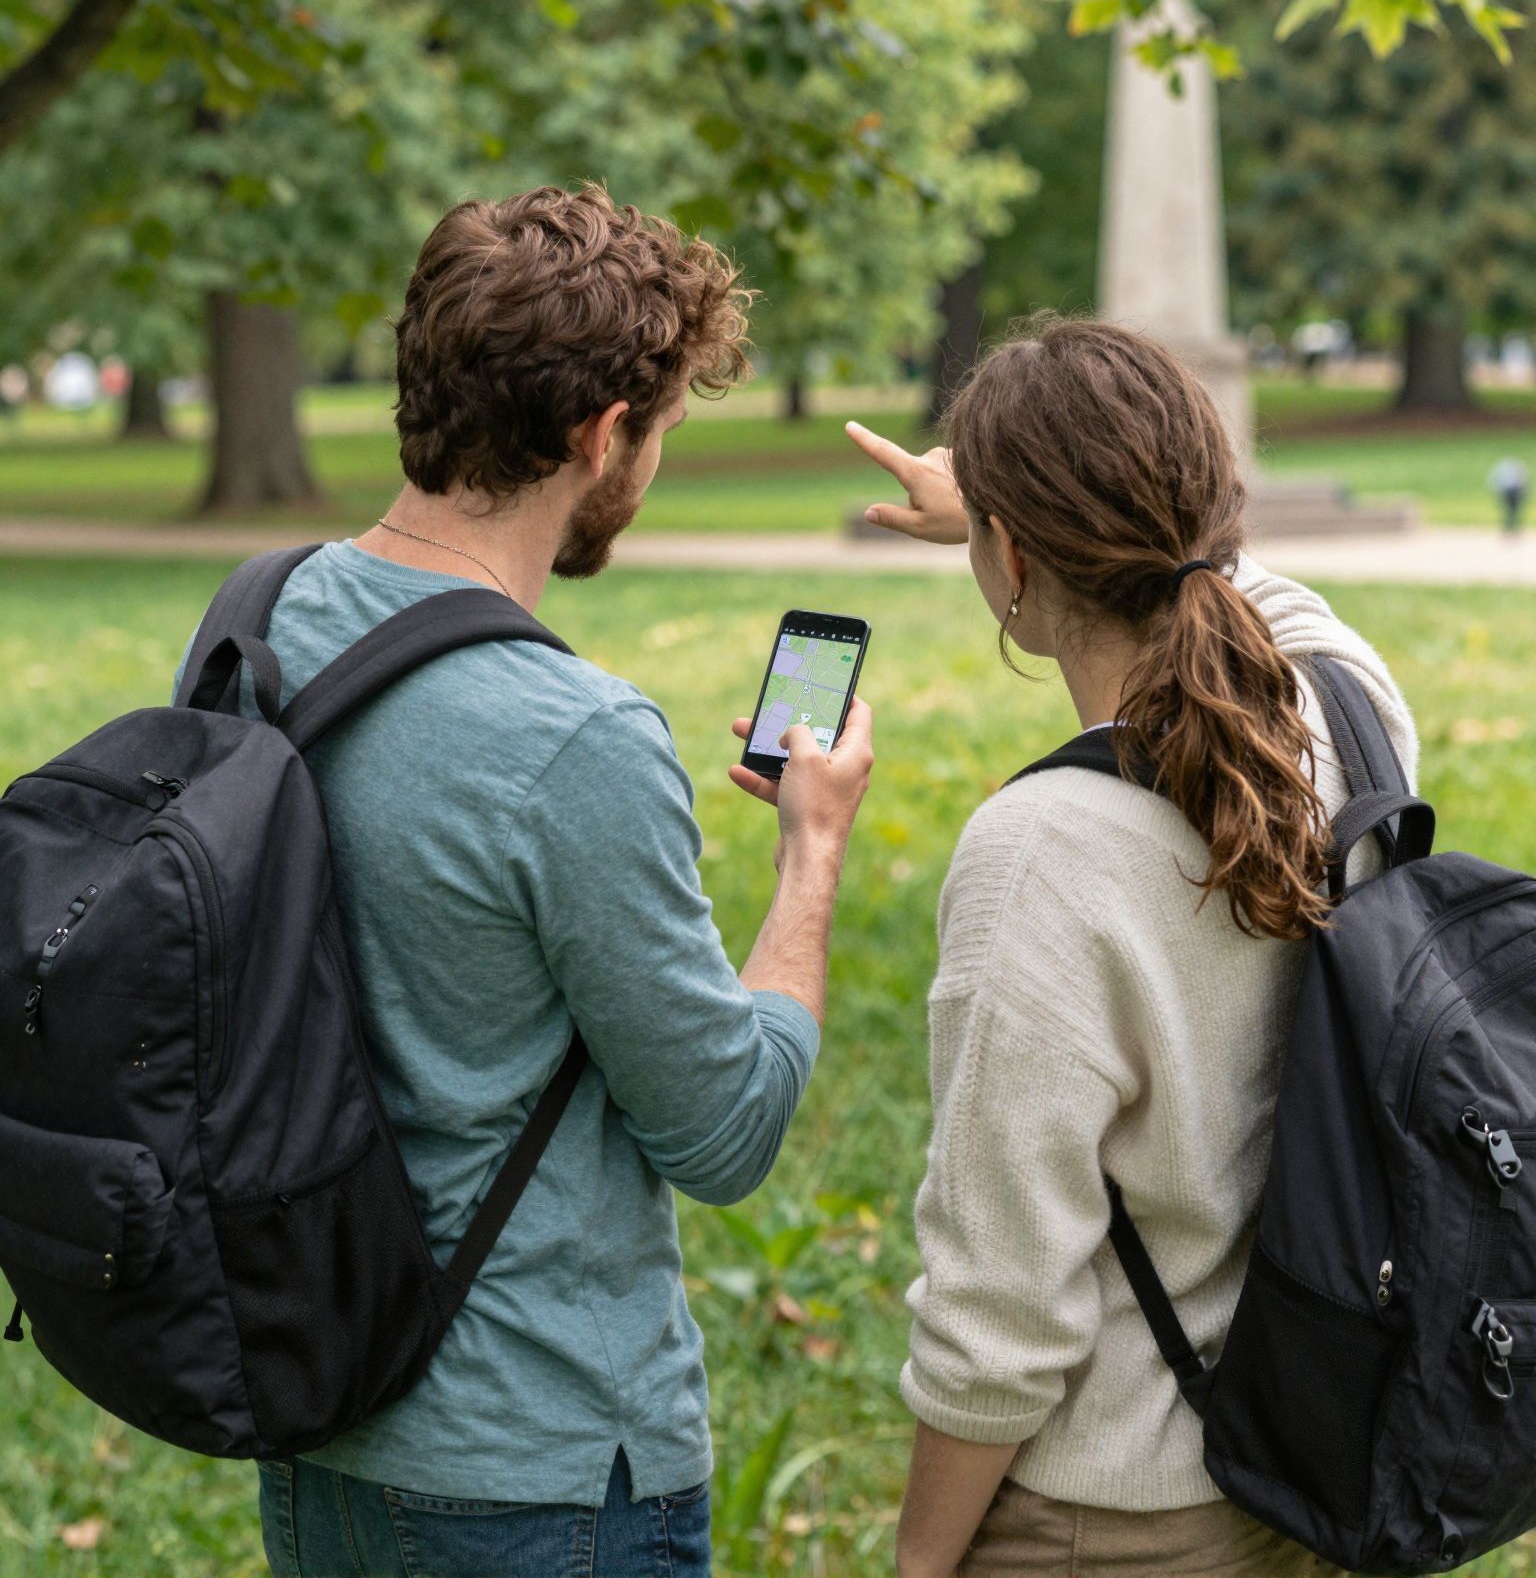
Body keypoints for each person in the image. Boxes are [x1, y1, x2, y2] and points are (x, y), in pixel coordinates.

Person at [183, 185, 872, 1578]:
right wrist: (812, 855)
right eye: (662, 430)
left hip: (320, 1424)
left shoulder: (254, 620)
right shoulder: (576, 736)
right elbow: (726, 1131)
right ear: (600, 433)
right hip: (539, 1471)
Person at [848, 316, 1415, 1578]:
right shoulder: (1355, 708)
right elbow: (1247, 586)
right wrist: (1019, 512)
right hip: (1311, 1462)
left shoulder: (1043, 851)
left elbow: (1000, 1312)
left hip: (1112, 1518)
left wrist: (919, 1560)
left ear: (1011, 558)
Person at [1489, 456, 1529, 536]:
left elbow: (1524, 482)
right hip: (1507, 493)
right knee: (1508, 512)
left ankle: (1513, 528)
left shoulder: (1513, 468)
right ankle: (1508, 528)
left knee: (1514, 512)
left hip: (1514, 493)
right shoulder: (1507, 468)